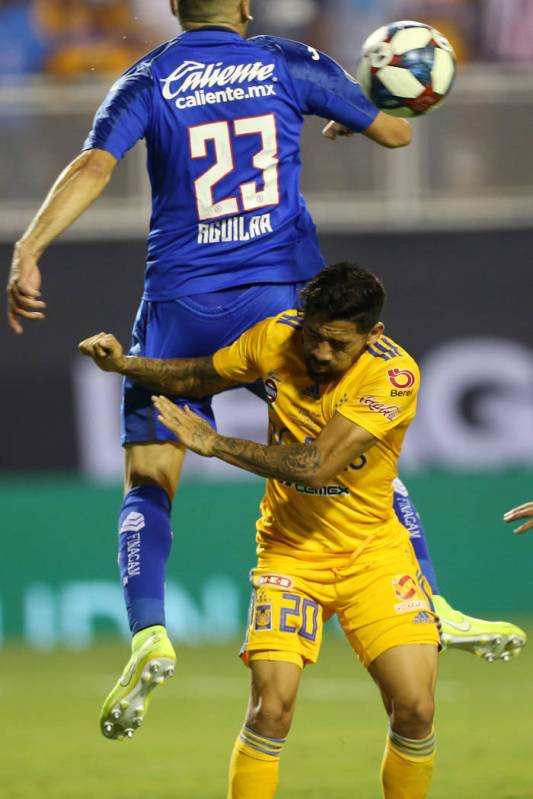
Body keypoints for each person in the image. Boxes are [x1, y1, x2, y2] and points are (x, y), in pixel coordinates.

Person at [6, 0, 524, 740]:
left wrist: (30, 248)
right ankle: (429, 598)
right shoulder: (286, 62)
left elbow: (93, 164)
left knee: (149, 475)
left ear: (177, 9)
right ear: (246, 7)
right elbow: (397, 130)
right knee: (357, 442)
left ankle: (147, 629)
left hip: (182, 301)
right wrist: (356, 110)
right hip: (285, 305)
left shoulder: (148, 77)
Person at [80, 262, 441, 798]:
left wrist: (216, 444)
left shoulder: (393, 376)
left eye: (337, 344)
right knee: (270, 709)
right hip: (289, 556)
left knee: (415, 709)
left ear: (374, 336)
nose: (319, 353)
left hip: (374, 556)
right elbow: (200, 375)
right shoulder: (276, 337)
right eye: (313, 335)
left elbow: (317, 463)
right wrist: (124, 365)